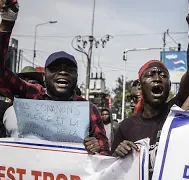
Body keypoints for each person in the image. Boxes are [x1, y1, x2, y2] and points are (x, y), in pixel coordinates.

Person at [112, 1, 189, 177]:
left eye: (163, 75)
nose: (157, 78)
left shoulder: (178, 111)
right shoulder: (126, 127)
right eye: (151, 75)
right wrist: (118, 152)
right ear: (140, 86)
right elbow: (110, 170)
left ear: (170, 86)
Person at [0, 0, 109, 155]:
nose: (63, 73)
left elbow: (106, 154)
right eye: (55, 69)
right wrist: (7, 21)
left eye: (69, 70)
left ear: (76, 77)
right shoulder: (32, 96)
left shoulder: (88, 110)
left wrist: (97, 149)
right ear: (44, 77)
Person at [3, 66, 44, 137]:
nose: (28, 85)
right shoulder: (10, 111)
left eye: (32, 82)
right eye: (22, 82)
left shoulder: (47, 111)